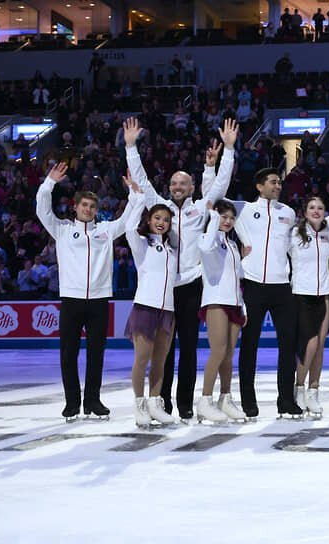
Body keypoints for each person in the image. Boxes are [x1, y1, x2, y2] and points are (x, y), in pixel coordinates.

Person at [125, 117, 237, 419]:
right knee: (164, 350)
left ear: (191, 187)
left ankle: (186, 403)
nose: (177, 186)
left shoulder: (200, 208)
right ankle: (160, 401)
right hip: (163, 291)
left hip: (191, 287)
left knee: (188, 347)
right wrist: (131, 147)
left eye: (183, 183)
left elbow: (221, 185)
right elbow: (142, 180)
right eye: (173, 183)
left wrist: (229, 149)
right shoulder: (159, 207)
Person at [36, 163, 145, 421]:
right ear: (75, 207)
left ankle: (93, 401)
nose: (88, 209)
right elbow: (42, 209)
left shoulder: (106, 231)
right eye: (84, 205)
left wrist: (134, 194)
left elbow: (130, 218)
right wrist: (48, 183)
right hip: (71, 300)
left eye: (92, 206)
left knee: (97, 353)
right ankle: (72, 402)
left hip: (99, 301)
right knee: (68, 353)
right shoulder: (61, 229)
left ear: (97, 210)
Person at [232, 168, 302, 419]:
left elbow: (293, 248)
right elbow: (212, 201)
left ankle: (285, 400)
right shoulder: (243, 210)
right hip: (252, 284)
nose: (278, 186)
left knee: (288, 344)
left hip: (282, 286)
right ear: (259, 187)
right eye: (273, 182)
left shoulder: (289, 213)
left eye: (280, 183)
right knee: (249, 344)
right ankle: (248, 401)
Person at [125, 195, 184, 428]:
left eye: (166, 220)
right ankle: (139, 404)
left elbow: (176, 279)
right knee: (142, 359)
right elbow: (129, 228)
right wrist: (138, 199)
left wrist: (200, 270)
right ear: (149, 220)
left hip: (167, 310)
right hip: (145, 307)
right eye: (157, 218)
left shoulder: (171, 250)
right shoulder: (142, 244)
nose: (161, 222)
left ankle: (155, 403)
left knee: (160, 360)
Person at [196, 200, 249, 423]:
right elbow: (205, 248)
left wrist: (242, 305)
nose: (227, 221)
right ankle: (204, 401)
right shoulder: (207, 238)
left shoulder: (233, 245)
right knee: (218, 352)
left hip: (234, 302)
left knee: (228, 355)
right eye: (223, 216)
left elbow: (236, 277)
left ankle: (225, 398)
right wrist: (212, 218)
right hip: (215, 301)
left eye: (230, 217)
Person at [290, 197, 329, 417]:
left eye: (320, 208)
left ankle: (314, 391)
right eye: (312, 207)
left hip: (324, 295)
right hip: (301, 295)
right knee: (310, 344)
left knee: (320, 346)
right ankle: (299, 388)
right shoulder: (294, 234)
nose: (316, 211)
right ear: (304, 212)